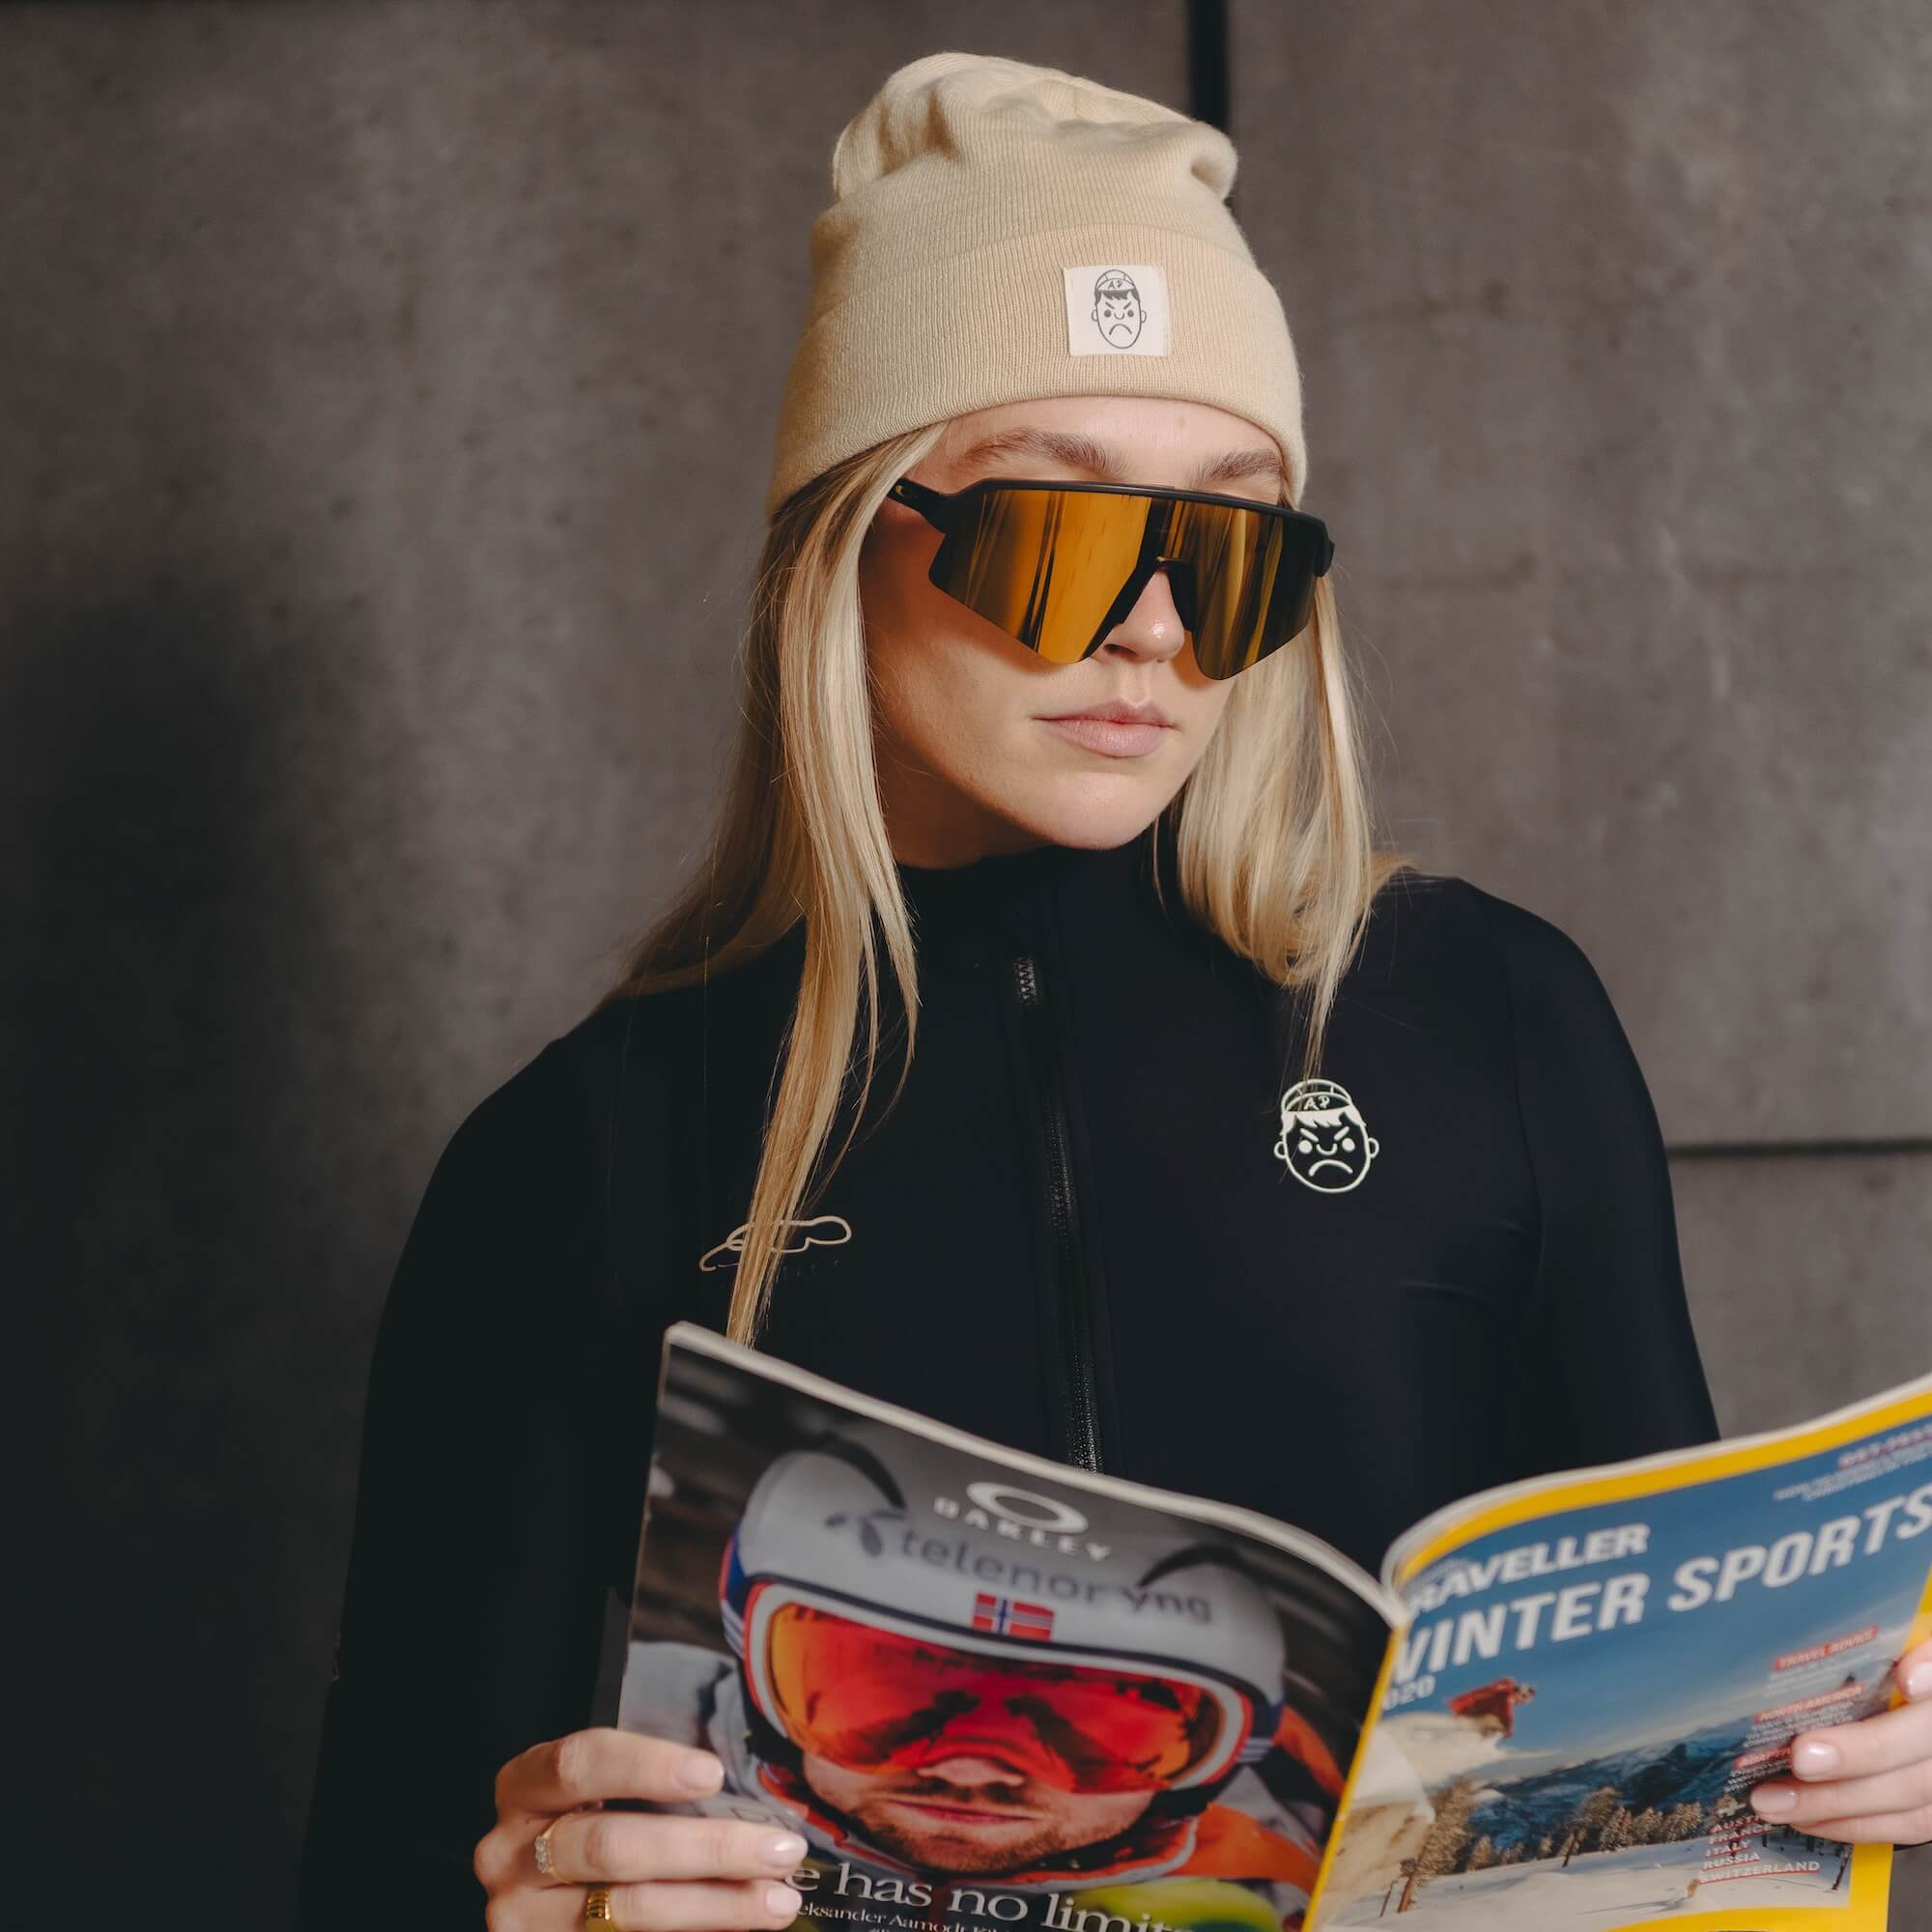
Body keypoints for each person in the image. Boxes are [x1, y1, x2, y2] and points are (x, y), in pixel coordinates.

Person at [296, 47, 1932, 1932]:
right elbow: (387, 1849)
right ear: (848, 539)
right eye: (1055, 529)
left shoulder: (1491, 1018)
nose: (1154, 627)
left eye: (1225, 545)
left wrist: (1843, 1746)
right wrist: (537, 1892)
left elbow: (1679, 1738)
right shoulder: (575, 1151)